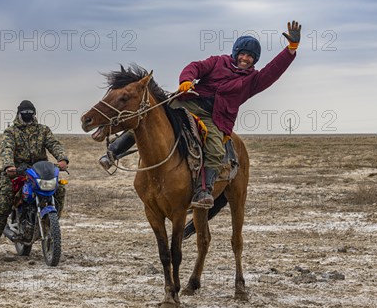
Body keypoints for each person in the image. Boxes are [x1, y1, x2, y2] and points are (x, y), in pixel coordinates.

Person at [100, 21, 301, 208]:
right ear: (236, 52)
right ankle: (114, 152)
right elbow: (195, 67)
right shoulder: (217, 62)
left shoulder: (254, 81)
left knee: (215, 147)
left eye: (250, 56)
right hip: (188, 102)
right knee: (150, 118)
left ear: (254, 60)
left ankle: (203, 190)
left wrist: (290, 50)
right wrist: (186, 81)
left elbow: (273, 71)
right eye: (243, 53)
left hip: (214, 118)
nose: (245, 59)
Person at [0, 100, 69, 260]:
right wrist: (9, 166)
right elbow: (6, 148)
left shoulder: (43, 130)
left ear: (34, 114)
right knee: (5, 201)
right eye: (25, 113)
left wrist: (62, 159)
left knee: (59, 189)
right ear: (19, 114)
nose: (28, 116)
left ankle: (51, 223)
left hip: (39, 170)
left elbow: (53, 144)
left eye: (31, 113)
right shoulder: (11, 131)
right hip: (17, 172)